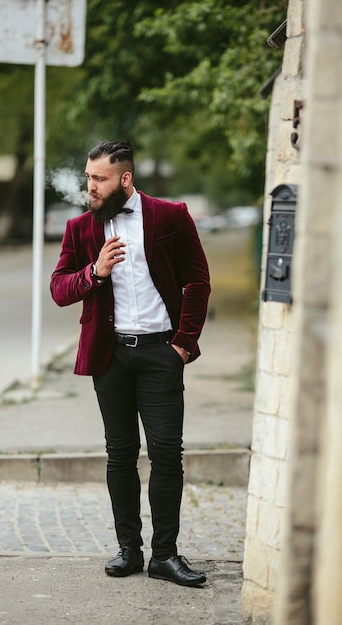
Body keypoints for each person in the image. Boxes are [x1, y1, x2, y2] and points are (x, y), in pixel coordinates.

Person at [50, 141, 211, 586]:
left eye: (99, 178)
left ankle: (165, 556)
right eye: (87, 177)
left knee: (166, 455)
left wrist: (182, 344)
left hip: (162, 353)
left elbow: (198, 280)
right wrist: (95, 272)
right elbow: (60, 289)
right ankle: (129, 550)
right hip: (112, 357)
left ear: (125, 179)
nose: (90, 186)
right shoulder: (80, 228)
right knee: (120, 455)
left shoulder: (171, 215)